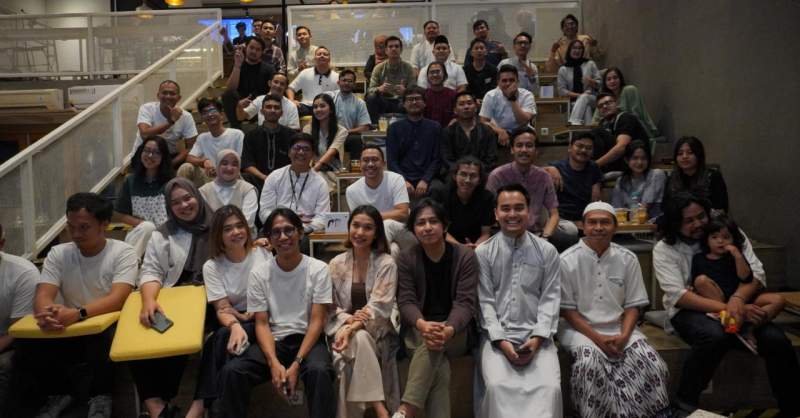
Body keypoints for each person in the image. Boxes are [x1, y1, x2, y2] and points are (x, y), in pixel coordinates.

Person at [653, 193, 800, 416]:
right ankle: (684, 405)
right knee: (714, 336)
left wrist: (738, 301)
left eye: (701, 216)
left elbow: (757, 274)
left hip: (740, 302)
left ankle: (792, 408)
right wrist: (729, 309)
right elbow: (679, 295)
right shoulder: (665, 248)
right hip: (692, 310)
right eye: (689, 221)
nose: (698, 224)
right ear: (675, 223)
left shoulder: (728, 232)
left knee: (777, 340)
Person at [14, 193, 137, 418]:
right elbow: (44, 294)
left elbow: (118, 299)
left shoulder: (122, 251)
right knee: (28, 340)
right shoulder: (59, 252)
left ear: (104, 225)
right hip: (71, 323)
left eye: (84, 227)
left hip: (105, 323)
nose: (76, 234)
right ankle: (58, 394)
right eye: (71, 227)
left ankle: (101, 397)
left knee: (102, 336)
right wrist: (46, 312)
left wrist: (78, 313)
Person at [217, 208, 335, 418]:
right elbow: (261, 323)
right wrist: (273, 363)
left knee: (319, 371)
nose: (283, 237)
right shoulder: (260, 273)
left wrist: (296, 364)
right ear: (269, 239)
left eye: (289, 230)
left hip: (308, 339)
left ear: (300, 232)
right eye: (276, 232)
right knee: (233, 372)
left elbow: (317, 320)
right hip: (275, 340)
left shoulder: (318, 269)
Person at [559, 201, 670, 418]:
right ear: (582, 226)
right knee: (589, 363)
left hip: (620, 327)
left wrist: (624, 335)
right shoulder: (566, 260)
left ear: (615, 227)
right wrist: (598, 340)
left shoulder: (627, 259)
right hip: (578, 330)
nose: (598, 227)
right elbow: (568, 312)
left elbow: (632, 305)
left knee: (653, 363)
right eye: (592, 222)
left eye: (605, 222)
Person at [475, 184, 562, 418]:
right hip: (496, 338)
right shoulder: (483, 253)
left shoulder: (547, 251)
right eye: (505, 209)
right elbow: (485, 302)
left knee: (550, 389)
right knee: (496, 388)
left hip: (538, 338)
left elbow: (550, 298)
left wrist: (537, 338)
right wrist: (501, 340)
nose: (512, 214)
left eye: (518, 208)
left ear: (529, 210)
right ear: (495, 214)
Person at [134, 178, 214, 418]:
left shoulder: (220, 224)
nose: (184, 205)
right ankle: (157, 406)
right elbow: (150, 270)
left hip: (214, 300)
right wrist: (149, 300)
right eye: (175, 202)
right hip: (175, 300)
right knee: (141, 333)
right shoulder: (163, 233)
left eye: (188, 198)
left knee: (210, 339)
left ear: (197, 196)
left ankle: (197, 407)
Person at [392, 199, 478, 418]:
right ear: (413, 230)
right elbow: (406, 301)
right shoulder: (407, 258)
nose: (427, 227)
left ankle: (407, 409)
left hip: (456, 331)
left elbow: (465, 302)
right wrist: (422, 324)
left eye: (433, 221)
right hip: (419, 329)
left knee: (433, 345)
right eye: (421, 223)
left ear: (445, 226)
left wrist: (448, 329)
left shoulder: (465, 256)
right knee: (440, 366)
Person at [185, 205, 272, 418]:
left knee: (219, 339)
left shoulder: (262, 253)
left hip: (264, 318)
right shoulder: (212, 266)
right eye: (227, 229)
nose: (236, 232)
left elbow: (274, 295)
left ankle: (197, 406)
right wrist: (236, 324)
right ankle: (209, 409)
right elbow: (222, 308)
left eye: (239, 226)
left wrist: (248, 314)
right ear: (218, 235)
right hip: (233, 320)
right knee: (225, 346)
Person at [327, 206, 400, 418]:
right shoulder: (335, 263)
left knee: (356, 344)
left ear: (376, 233)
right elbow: (330, 307)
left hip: (378, 333)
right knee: (358, 340)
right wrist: (350, 322)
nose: (360, 232)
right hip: (344, 331)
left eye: (367, 227)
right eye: (356, 225)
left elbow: (380, 306)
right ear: (348, 227)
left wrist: (351, 329)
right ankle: (381, 409)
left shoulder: (386, 263)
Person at [691, 215, 786, 350]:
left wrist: (737, 255)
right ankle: (732, 318)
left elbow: (746, 278)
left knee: (778, 300)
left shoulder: (736, 257)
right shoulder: (699, 259)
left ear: (734, 240)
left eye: (726, 237)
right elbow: (696, 284)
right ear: (706, 240)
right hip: (720, 301)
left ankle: (748, 327)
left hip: (743, 298)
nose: (720, 241)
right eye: (715, 237)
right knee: (701, 281)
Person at [487, 130, 576, 251]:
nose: (524, 150)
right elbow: (488, 212)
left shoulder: (543, 176)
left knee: (570, 241)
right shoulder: (497, 176)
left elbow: (554, 214)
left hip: (535, 233)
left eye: (529, 146)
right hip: (504, 232)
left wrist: (545, 238)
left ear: (536, 151)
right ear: (512, 149)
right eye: (519, 145)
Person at [345, 145, 417, 254]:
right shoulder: (352, 190)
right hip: (373, 235)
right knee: (393, 250)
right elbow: (359, 221)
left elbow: (403, 213)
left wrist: (372, 217)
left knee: (387, 224)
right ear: (360, 164)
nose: (370, 164)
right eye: (365, 160)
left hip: (403, 231)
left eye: (374, 160)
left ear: (384, 163)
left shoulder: (396, 179)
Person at [259, 132, 330, 235]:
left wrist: (300, 229)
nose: (301, 152)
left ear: (313, 155)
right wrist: (283, 225)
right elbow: (265, 211)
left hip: (305, 232)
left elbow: (323, 217)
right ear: (289, 152)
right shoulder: (274, 177)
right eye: (297, 148)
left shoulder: (320, 183)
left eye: (306, 149)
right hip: (277, 228)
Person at [114, 137, 174, 258]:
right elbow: (117, 213)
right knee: (148, 227)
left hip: (166, 236)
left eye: (156, 152)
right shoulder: (130, 181)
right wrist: (142, 223)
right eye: (146, 150)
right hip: (140, 234)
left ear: (163, 157)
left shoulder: (171, 183)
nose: (150, 155)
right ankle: (128, 267)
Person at [0, 223, 38, 414]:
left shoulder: (22, 273)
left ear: (2, 243)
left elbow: (17, 330)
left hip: (11, 340)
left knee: (5, 365)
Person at [544, 132, 603, 245]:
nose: (584, 150)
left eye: (588, 148)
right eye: (579, 146)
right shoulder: (556, 167)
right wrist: (548, 168)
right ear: (570, 148)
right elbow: (532, 172)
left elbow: (596, 196)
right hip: (561, 220)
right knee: (570, 231)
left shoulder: (593, 168)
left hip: (584, 219)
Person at [386, 87, 442, 199]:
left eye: (417, 99)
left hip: (428, 177)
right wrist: (404, 181)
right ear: (404, 104)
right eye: (410, 99)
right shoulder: (394, 128)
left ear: (425, 103)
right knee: (392, 189)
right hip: (403, 177)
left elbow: (438, 159)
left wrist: (425, 180)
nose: (414, 102)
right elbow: (392, 161)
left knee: (438, 189)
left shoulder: (435, 127)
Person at [429, 156, 493, 248]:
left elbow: (485, 233)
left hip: (477, 246)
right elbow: (440, 230)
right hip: (446, 244)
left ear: (479, 180)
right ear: (455, 176)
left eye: (473, 176)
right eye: (463, 174)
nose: (467, 180)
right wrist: (460, 247)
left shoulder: (487, 198)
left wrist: (476, 246)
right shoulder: (440, 195)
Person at [179, 97, 244, 187]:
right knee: (185, 167)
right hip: (209, 177)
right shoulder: (202, 138)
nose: (209, 114)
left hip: (231, 175)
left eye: (213, 111)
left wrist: (221, 169)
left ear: (221, 114)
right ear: (202, 118)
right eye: (205, 112)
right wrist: (204, 162)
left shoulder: (237, 134)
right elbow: (189, 158)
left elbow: (240, 161)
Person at [132, 80, 198, 167]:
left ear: (179, 97)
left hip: (168, 157)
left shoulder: (186, 116)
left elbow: (191, 147)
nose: (168, 96)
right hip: (144, 155)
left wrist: (171, 164)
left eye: (172, 93)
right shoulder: (147, 108)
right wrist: (170, 122)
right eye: (164, 93)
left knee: (188, 166)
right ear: (158, 95)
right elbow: (144, 134)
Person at [240, 94, 294, 191]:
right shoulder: (251, 135)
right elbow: (247, 164)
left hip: (285, 181)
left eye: (276, 107)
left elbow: (295, 162)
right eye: (268, 107)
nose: (273, 110)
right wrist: (264, 177)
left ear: (281, 113)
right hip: (258, 180)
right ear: (261, 111)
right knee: (244, 177)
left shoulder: (291, 135)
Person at [664, 136, 729, 214]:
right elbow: (666, 207)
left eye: (690, 152)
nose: (684, 156)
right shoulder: (671, 179)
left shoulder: (713, 176)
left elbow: (721, 208)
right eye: (680, 153)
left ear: (699, 155)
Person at [223, 36, 275, 129]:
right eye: (251, 48)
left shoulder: (269, 69)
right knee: (227, 95)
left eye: (258, 49)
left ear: (262, 52)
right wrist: (237, 66)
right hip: (239, 107)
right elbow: (230, 89)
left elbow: (273, 92)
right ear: (246, 48)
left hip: (260, 108)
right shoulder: (238, 64)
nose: (254, 51)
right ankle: (236, 128)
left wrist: (257, 104)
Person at [199, 149, 258, 230]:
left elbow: (248, 222)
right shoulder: (204, 191)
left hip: (243, 237)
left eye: (234, 164)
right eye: (224, 163)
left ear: (239, 168)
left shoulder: (248, 190)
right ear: (217, 165)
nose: (229, 168)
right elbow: (205, 222)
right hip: (212, 238)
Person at [479, 64, 537, 146]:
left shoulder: (527, 95)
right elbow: (483, 122)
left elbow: (523, 121)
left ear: (518, 81)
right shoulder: (490, 96)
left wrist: (512, 98)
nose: (508, 83)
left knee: (531, 138)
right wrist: (499, 131)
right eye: (504, 81)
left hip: (522, 130)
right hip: (499, 130)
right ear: (498, 82)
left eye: (512, 80)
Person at [593, 67, 658, 137]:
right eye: (608, 79)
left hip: (634, 129)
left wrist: (616, 111)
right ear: (605, 83)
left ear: (620, 79)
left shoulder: (629, 90)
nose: (612, 81)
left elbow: (636, 115)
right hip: (613, 131)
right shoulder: (604, 97)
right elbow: (595, 119)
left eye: (615, 78)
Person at [442, 91, 498, 172]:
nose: (466, 107)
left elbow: (491, 158)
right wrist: (461, 172)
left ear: (476, 108)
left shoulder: (487, 131)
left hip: (482, 173)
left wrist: (476, 172)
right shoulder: (448, 132)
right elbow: (447, 159)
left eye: (469, 103)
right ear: (455, 110)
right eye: (461, 104)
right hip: (456, 174)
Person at [595, 92, 651, 173]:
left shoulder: (626, 118)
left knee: (598, 132)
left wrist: (595, 165)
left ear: (616, 104)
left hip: (636, 162)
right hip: (618, 162)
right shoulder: (604, 123)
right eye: (600, 106)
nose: (604, 106)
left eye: (608, 103)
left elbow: (621, 147)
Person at [611, 140, 667, 220]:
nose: (639, 162)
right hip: (629, 226)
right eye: (635, 158)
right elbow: (616, 209)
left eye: (643, 158)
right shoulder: (621, 181)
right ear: (627, 160)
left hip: (653, 225)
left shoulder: (656, 175)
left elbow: (645, 206)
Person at [366, 36, 416, 124]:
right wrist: (379, 89)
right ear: (386, 50)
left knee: (413, 99)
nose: (394, 49)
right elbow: (370, 90)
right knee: (371, 97)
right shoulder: (378, 68)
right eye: (390, 46)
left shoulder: (408, 68)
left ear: (401, 50)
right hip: (384, 102)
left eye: (397, 46)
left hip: (402, 102)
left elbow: (414, 90)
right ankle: (374, 126)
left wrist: (405, 91)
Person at [303, 93, 348, 175]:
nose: (318, 109)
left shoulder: (341, 131)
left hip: (333, 171)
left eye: (322, 106)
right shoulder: (307, 129)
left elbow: (330, 153)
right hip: (312, 170)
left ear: (331, 109)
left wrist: (313, 171)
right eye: (315, 107)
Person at [557, 39, 601, 126]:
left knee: (585, 98)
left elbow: (600, 84)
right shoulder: (563, 69)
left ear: (583, 51)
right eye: (574, 48)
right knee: (586, 108)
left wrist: (590, 81)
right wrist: (579, 95)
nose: (577, 50)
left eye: (580, 48)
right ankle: (588, 133)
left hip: (592, 98)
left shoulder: (590, 64)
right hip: (573, 101)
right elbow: (561, 91)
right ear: (569, 50)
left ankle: (573, 122)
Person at [288, 46, 339, 117]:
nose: (322, 56)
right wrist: (291, 100)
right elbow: (291, 88)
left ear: (329, 58)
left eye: (325, 54)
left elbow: (340, 96)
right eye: (319, 54)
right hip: (306, 106)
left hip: (327, 108)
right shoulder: (305, 73)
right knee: (290, 108)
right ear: (315, 58)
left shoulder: (337, 77)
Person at [327, 69, 372, 134]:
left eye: (350, 81)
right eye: (344, 80)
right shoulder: (329, 97)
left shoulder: (360, 103)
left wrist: (344, 132)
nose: (347, 83)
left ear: (354, 84)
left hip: (349, 135)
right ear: (338, 82)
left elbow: (365, 127)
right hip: (330, 134)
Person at [421, 62, 457, 128]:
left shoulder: (453, 95)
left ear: (445, 76)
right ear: (427, 77)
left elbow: (457, 116)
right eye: (432, 72)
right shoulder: (422, 95)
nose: (435, 75)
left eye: (438, 72)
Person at [462, 38, 498, 103]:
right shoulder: (465, 70)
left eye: (481, 48)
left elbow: (494, 90)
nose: (479, 50)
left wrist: (484, 101)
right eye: (476, 48)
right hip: (470, 102)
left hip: (489, 102)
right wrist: (474, 100)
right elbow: (465, 90)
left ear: (486, 52)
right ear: (471, 53)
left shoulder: (493, 70)